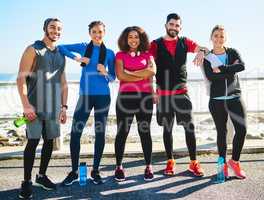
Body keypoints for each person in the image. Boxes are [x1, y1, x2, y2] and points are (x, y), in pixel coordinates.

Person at [149, 13, 207, 177]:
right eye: (171, 24)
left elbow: (203, 48)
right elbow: (147, 65)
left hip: (182, 93)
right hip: (163, 95)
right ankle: (170, 161)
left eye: (177, 25)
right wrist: (152, 90)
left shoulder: (184, 42)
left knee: (190, 128)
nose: (174, 27)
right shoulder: (155, 44)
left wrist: (202, 51)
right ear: (166, 25)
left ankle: (193, 163)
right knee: (167, 129)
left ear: (180, 28)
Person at [59, 21, 116, 185]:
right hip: (85, 96)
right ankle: (74, 171)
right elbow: (62, 47)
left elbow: (113, 77)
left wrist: (105, 72)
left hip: (103, 97)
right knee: (76, 132)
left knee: (100, 133)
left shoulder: (110, 53)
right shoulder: (84, 46)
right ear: (89, 33)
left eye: (100, 32)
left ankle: (95, 171)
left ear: (104, 33)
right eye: (94, 32)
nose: (98, 35)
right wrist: (76, 58)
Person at [17, 18, 68, 199]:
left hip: (54, 108)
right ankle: (26, 182)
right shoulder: (33, 49)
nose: (56, 31)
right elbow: (21, 79)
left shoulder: (61, 54)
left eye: (59, 28)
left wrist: (64, 107)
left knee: (49, 141)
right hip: (34, 107)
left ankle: (41, 176)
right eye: (52, 27)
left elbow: (63, 84)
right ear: (45, 28)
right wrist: (26, 105)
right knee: (33, 142)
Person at [203, 25, 247, 179]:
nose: (219, 38)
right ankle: (222, 165)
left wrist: (222, 68)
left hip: (235, 97)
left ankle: (234, 161)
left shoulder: (232, 52)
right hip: (217, 101)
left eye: (222, 36)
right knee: (222, 132)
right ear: (211, 38)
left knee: (242, 130)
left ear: (225, 38)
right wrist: (230, 71)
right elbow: (211, 77)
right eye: (216, 35)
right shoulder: (207, 57)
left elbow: (241, 66)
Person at [114, 26, 156, 181]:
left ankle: (148, 166)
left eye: (136, 37)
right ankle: (119, 166)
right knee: (122, 133)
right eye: (130, 37)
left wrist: (130, 73)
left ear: (141, 39)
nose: (133, 40)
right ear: (125, 39)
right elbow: (120, 75)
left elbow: (152, 72)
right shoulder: (120, 55)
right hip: (125, 98)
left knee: (145, 132)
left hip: (145, 98)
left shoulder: (148, 54)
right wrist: (141, 74)